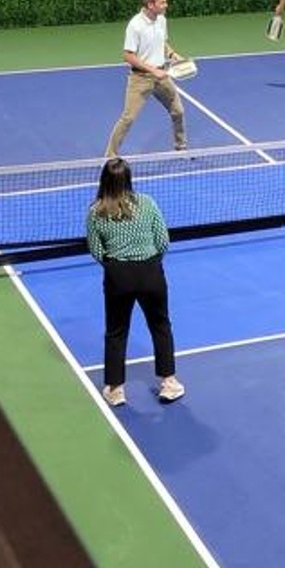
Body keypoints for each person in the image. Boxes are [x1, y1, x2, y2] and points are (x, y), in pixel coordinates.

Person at [86, 157, 184, 406]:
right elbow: (163, 241)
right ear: (128, 179)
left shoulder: (96, 212)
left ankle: (116, 389)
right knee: (161, 325)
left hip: (118, 276)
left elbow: (97, 250)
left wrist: (117, 268)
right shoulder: (147, 203)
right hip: (150, 272)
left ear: (104, 181)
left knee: (116, 332)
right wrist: (149, 263)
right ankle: (169, 383)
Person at [104, 0, 187, 157]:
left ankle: (180, 146)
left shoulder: (161, 20)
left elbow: (162, 43)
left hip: (161, 76)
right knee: (128, 118)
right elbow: (128, 55)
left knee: (178, 111)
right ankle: (110, 156)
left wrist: (172, 54)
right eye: (162, 2)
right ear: (150, 4)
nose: (166, 5)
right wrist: (152, 70)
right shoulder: (135, 26)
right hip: (140, 79)